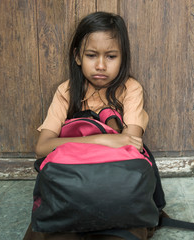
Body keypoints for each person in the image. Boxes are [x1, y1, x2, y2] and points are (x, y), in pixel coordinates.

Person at [24, 11, 152, 240]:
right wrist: (101, 139)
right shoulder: (66, 91)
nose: (101, 65)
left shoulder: (130, 89)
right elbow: (42, 147)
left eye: (111, 56)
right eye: (92, 55)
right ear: (77, 56)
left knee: (126, 228)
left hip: (115, 182)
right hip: (71, 181)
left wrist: (107, 141)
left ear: (123, 58)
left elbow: (132, 145)